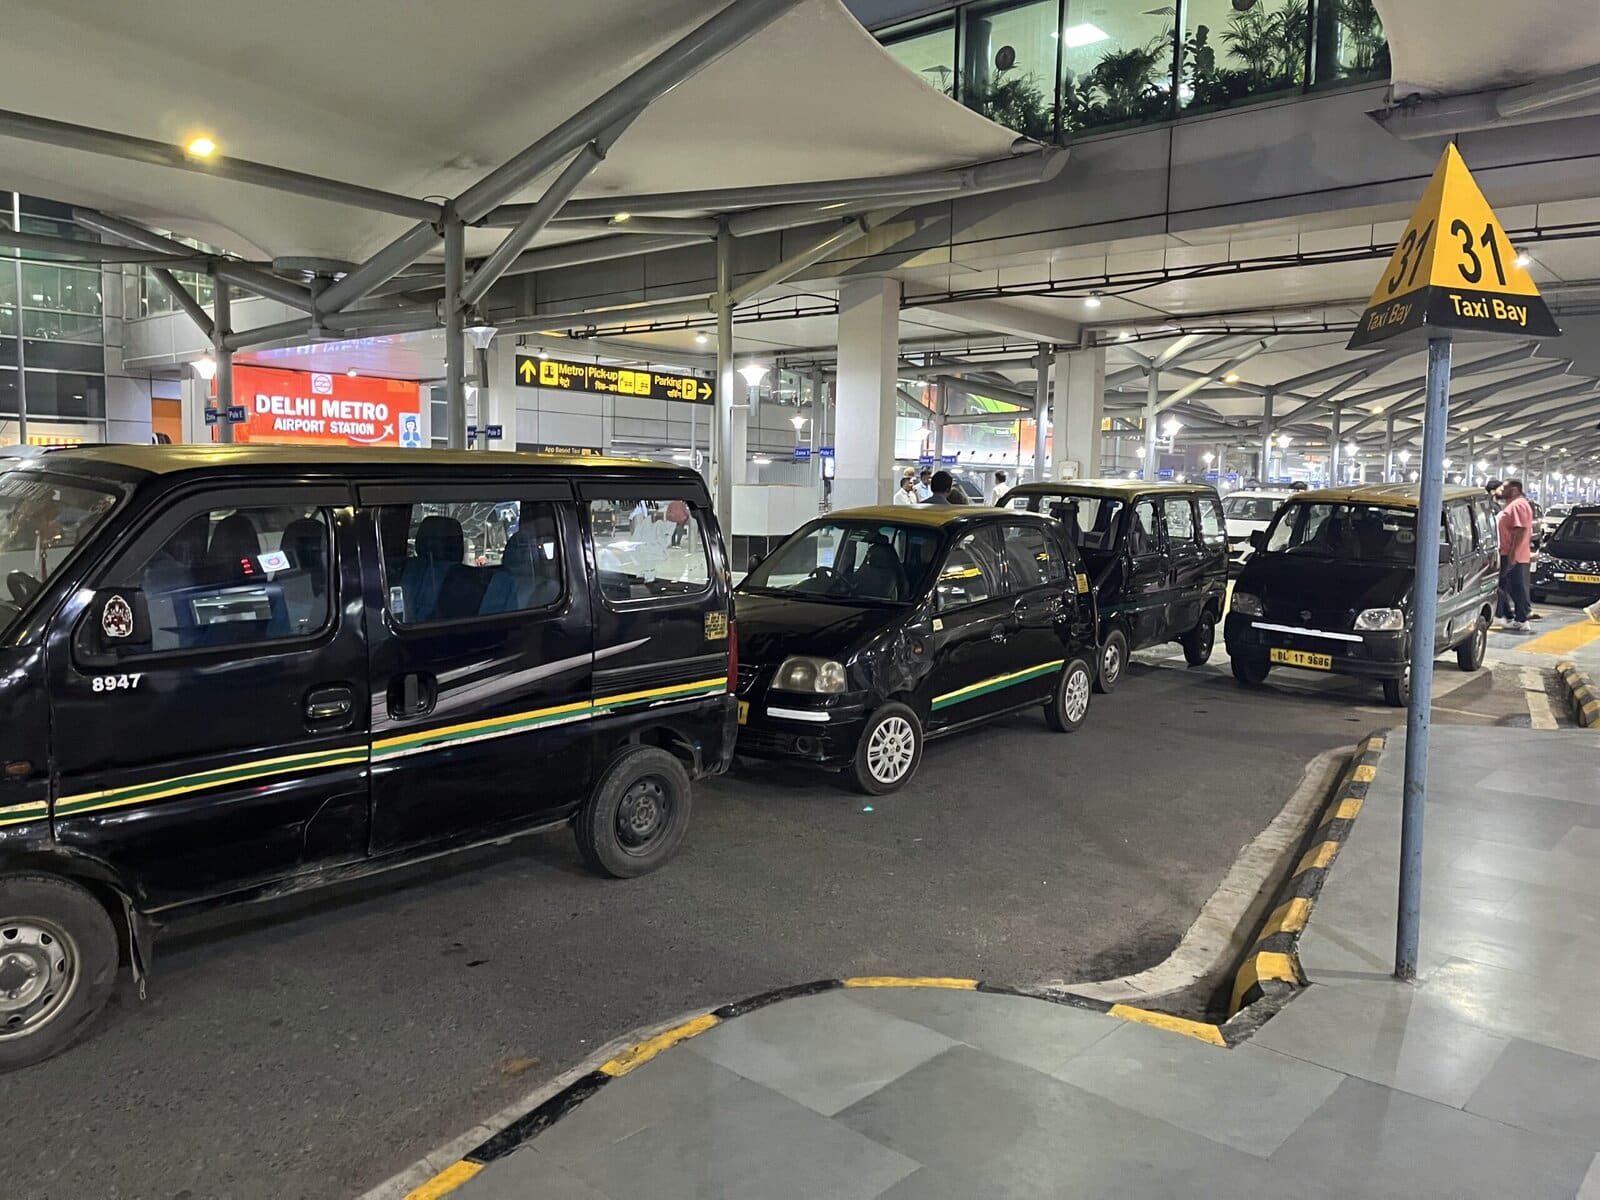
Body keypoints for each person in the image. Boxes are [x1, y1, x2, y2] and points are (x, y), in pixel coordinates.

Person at [1498, 479, 1535, 631]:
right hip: (1512, 553)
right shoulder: (1515, 504)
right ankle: (1511, 616)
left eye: (1504, 488)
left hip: (1513, 555)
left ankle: (1520, 618)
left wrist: (1513, 553)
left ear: (1514, 489)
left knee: (1514, 587)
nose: (1501, 490)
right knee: (1509, 586)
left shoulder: (1518, 505)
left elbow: (1521, 530)